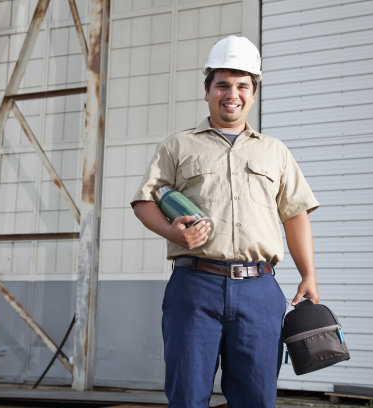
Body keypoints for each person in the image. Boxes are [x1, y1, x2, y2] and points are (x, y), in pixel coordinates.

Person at [130, 35, 320, 408]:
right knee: (187, 396)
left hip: (259, 290)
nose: (231, 93)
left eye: (242, 85)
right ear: (207, 91)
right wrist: (172, 232)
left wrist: (308, 275)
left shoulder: (275, 151)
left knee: (256, 398)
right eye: (223, 85)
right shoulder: (177, 146)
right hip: (194, 285)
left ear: (253, 92)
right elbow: (144, 202)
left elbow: (294, 213)